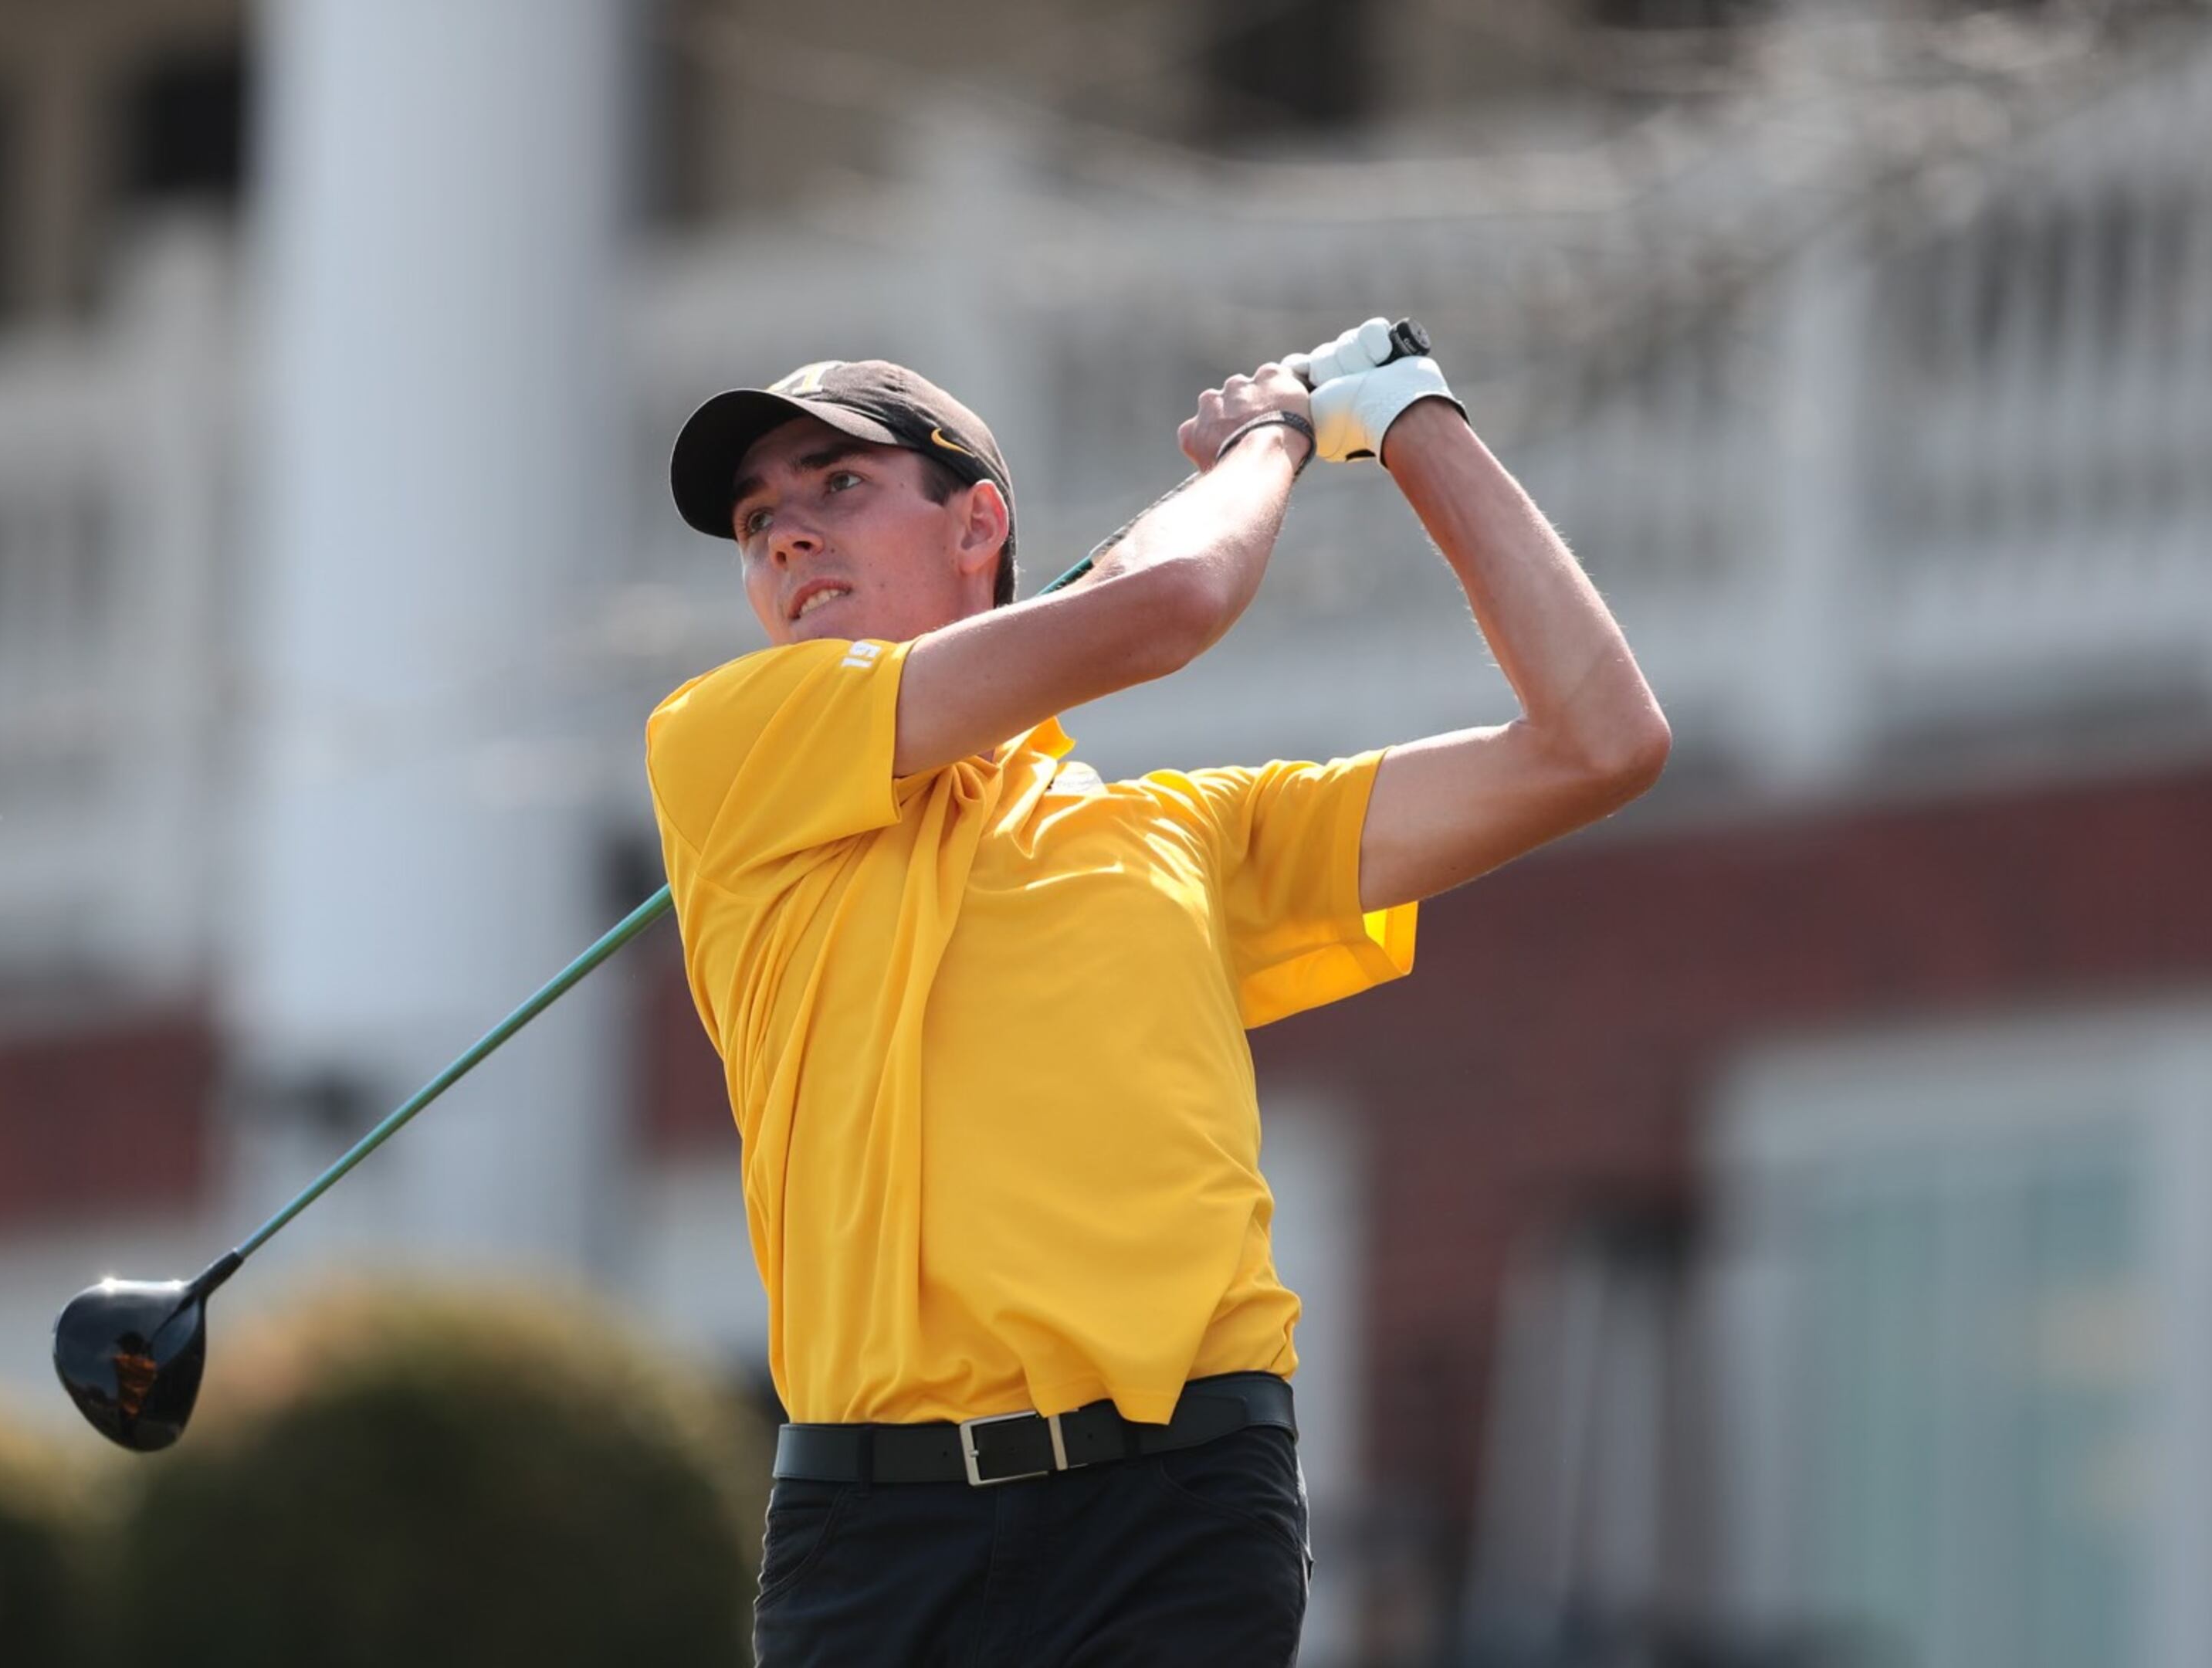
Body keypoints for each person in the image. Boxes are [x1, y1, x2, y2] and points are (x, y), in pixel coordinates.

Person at [645, 323, 1668, 1665]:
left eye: (839, 485)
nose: (785, 536)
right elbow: (1165, 607)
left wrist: (1413, 416)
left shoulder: (1182, 837)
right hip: (871, 1531)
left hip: (1174, 1506)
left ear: (980, 527)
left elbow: (1598, 742)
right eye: (757, 518)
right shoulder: (725, 746)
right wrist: (1273, 437)